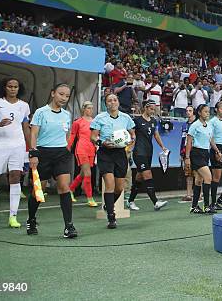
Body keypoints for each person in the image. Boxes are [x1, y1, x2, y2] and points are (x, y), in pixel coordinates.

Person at [26, 84, 77, 238]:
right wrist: (33, 153)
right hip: (42, 153)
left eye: (67, 96)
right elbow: (33, 134)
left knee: (63, 187)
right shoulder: (41, 112)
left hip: (61, 154)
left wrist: (66, 149)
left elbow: (67, 134)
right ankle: (31, 219)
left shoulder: (66, 114)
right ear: (53, 93)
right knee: (38, 192)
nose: (64, 98)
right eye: (61, 94)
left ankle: (69, 226)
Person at [0, 77, 31, 228]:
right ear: (4, 88)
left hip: (17, 145)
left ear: (19, 88)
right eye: (10, 86)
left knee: (15, 177)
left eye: (15, 86)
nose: (12, 89)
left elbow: (26, 128)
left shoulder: (24, 106)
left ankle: (13, 216)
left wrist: (31, 148)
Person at [90, 93, 135, 229]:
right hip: (105, 153)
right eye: (109, 100)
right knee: (109, 184)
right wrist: (101, 142)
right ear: (106, 103)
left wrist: (130, 143)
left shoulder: (126, 118)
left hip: (120, 153)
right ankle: (111, 217)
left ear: (118, 102)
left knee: (119, 188)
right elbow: (93, 137)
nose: (112, 102)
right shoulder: (100, 118)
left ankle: (107, 205)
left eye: (115, 100)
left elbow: (132, 134)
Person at [128, 100, 169, 211]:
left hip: (148, 152)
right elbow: (131, 135)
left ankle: (130, 201)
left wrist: (162, 147)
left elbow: (156, 135)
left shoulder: (153, 121)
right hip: (138, 152)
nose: (153, 111)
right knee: (147, 174)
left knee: (140, 177)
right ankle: (155, 202)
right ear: (145, 108)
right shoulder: (136, 120)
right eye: (151, 109)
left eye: (154, 109)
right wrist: (128, 149)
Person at [185, 104, 215, 214]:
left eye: (208, 112)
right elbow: (189, 141)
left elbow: (211, 140)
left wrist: (217, 151)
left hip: (205, 153)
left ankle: (194, 206)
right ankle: (207, 206)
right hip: (196, 153)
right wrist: (187, 157)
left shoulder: (209, 125)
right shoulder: (194, 125)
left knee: (198, 180)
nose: (207, 113)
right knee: (208, 177)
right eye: (205, 112)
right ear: (199, 113)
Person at [67, 101, 98, 207]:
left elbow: (98, 135)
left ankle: (70, 190)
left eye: (92, 108)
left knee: (83, 173)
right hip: (81, 149)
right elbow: (72, 135)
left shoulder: (95, 121)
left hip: (92, 149)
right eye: (88, 108)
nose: (90, 110)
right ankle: (90, 198)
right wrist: (68, 147)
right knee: (88, 173)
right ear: (83, 109)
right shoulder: (78, 122)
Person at [179, 105, 195, 202]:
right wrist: (181, 153)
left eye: (190, 110)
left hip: (196, 151)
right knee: (188, 174)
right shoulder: (184, 125)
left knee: (198, 173)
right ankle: (189, 195)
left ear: (194, 112)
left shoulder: (197, 124)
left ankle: (199, 194)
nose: (188, 112)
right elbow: (183, 139)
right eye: (187, 111)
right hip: (186, 152)